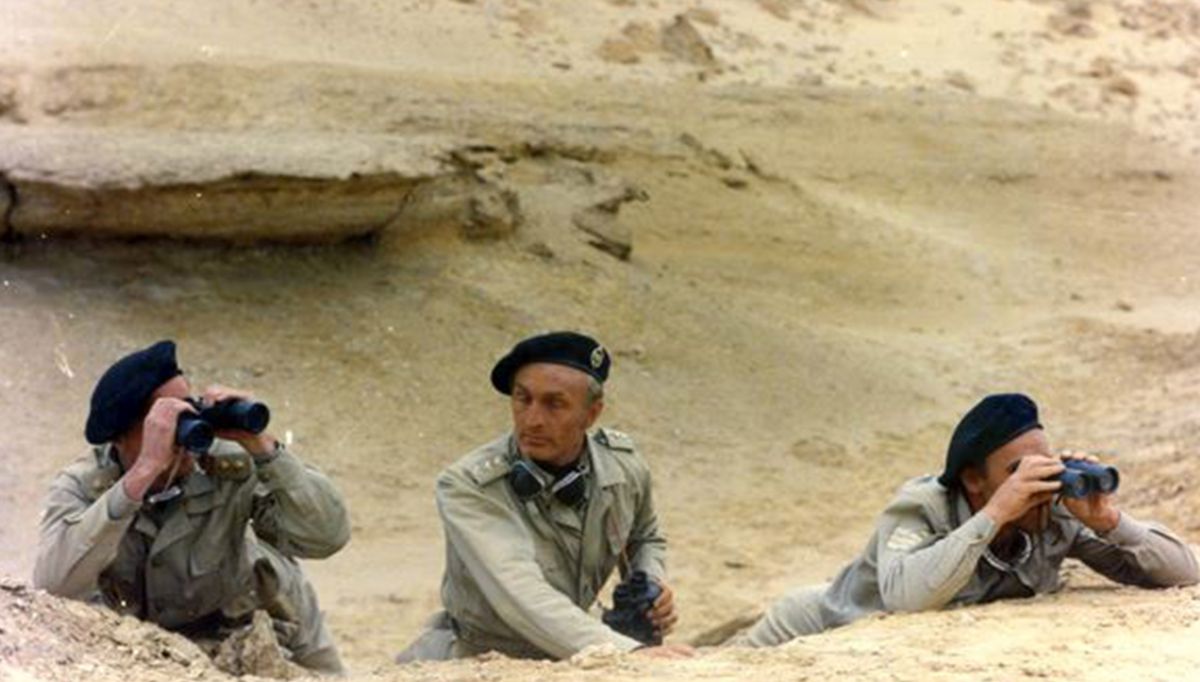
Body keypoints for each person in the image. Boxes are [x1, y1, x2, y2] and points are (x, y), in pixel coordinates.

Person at [738, 393, 1199, 647]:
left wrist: (1108, 520)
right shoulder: (923, 505)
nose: (1035, 482)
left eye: (1043, 465)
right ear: (974, 480)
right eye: (1018, 471)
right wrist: (997, 513)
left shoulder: (1053, 513)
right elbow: (907, 597)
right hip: (813, 622)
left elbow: (1186, 571)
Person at [33, 340, 350, 674]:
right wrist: (142, 474)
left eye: (189, 411)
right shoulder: (83, 488)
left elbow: (327, 537)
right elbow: (54, 587)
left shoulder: (229, 466)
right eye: (165, 420)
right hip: (151, 651)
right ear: (121, 436)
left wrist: (261, 445)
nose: (185, 434)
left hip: (262, 622)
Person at [398, 331, 691, 661]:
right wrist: (626, 651)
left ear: (592, 414)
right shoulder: (469, 485)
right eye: (523, 399)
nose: (533, 420)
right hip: (481, 657)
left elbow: (645, 536)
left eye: (555, 404)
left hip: (578, 649)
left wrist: (650, 587)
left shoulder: (622, 467)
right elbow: (519, 591)